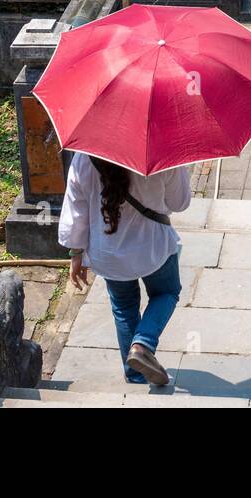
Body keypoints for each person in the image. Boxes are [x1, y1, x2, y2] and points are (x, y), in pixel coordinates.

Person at [58, 152, 192, 387]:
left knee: (124, 307)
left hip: (108, 253)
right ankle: (142, 344)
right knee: (166, 293)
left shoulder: (84, 158)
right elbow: (179, 203)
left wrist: (76, 254)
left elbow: (75, 209)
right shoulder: (163, 155)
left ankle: (135, 374)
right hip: (152, 248)